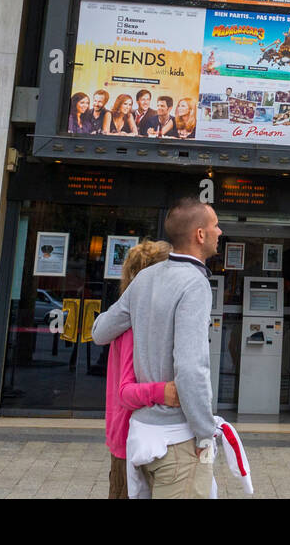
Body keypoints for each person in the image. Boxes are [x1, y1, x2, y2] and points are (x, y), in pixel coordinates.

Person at [91, 197, 220, 499]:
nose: (220, 232)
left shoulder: (146, 278)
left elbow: (100, 332)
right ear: (200, 235)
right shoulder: (194, 284)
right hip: (176, 439)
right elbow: (191, 368)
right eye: (215, 226)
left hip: (140, 435)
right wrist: (205, 432)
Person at [104, 240, 180, 499]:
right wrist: (165, 392)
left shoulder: (127, 320)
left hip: (137, 439)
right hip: (132, 443)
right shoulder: (131, 328)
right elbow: (125, 391)